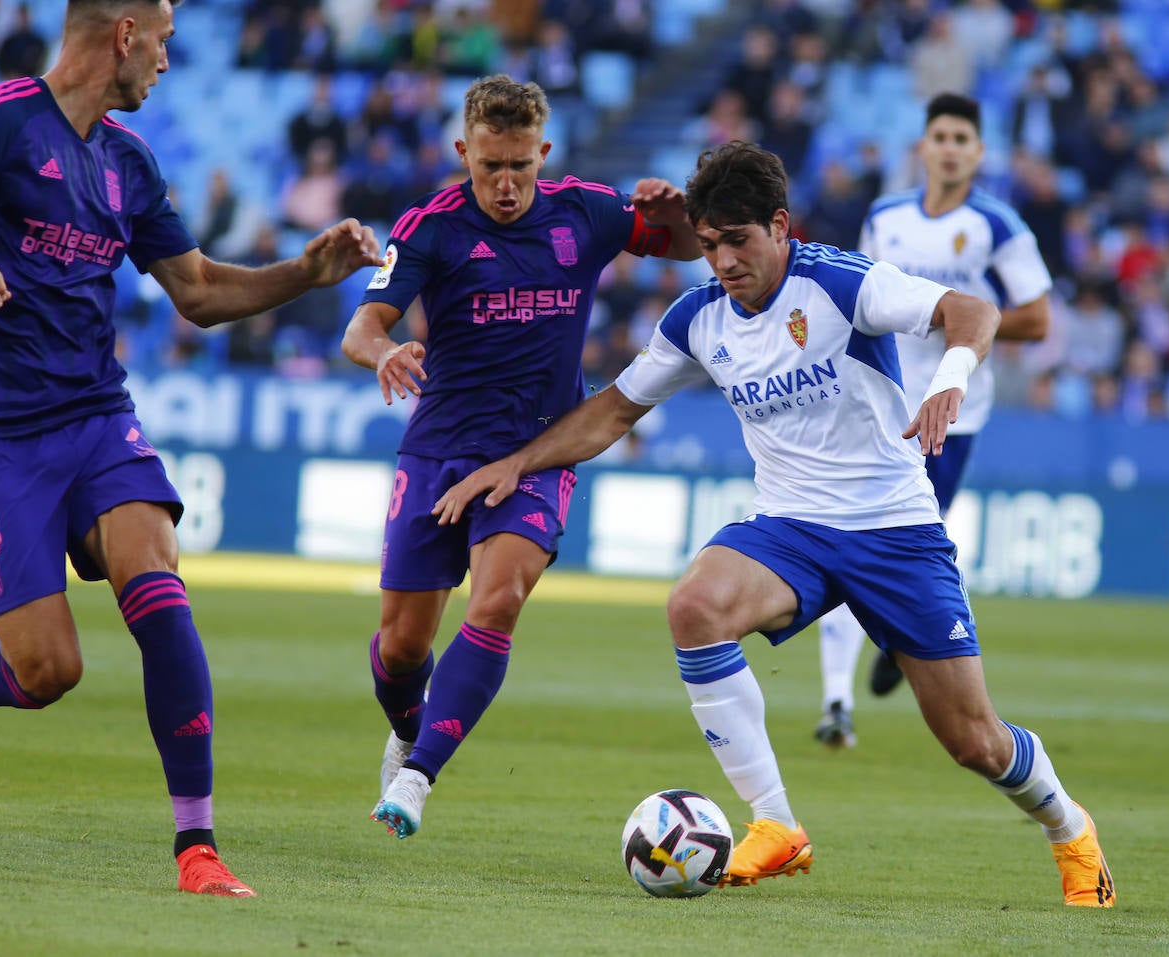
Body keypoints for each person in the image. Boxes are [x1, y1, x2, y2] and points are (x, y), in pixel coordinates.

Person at [431, 141, 1115, 907]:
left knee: (973, 740)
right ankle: (777, 823)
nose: (722, 259)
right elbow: (613, 410)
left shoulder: (837, 282)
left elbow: (974, 311)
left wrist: (950, 380)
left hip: (893, 530)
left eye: (738, 240)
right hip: (789, 525)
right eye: (710, 243)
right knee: (694, 606)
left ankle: (1068, 826)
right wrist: (517, 464)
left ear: (780, 226)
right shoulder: (699, 319)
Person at [0, 0, 382, 897]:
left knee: (156, 580)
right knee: (47, 671)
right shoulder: (1, 122)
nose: (166, 61)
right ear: (124, 33)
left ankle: (196, 847)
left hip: (95, 415)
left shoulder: (128, 161)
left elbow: (197, 291)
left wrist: (306, 274)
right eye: (160, 40)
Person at [340, 74, 700, 841]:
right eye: (489, 167)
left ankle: (417, 774)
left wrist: (680, 221)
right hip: (439, 446)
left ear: (544, 152)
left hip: (538, 448)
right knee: (403, 646)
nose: (505, 185)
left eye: (520, 167)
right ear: (464, 151)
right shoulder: (430, 226)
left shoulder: (589, 212)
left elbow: (689, 246)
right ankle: (409, 728)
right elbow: (361, 326)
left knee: (498, 598)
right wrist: (384, 349)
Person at [814, 92, 1052, 748]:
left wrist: (959, 323)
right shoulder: (885, 218)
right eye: (939, 136)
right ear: (922, 147)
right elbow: (859, 296)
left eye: (961, 139)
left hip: (954, 410)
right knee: (848, 530)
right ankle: (836, 700)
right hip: (880, 399)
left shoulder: (995, 226)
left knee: (895, 538)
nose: (948, 148)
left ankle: (901, 634)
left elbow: (1036, 315)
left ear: (978, 153)